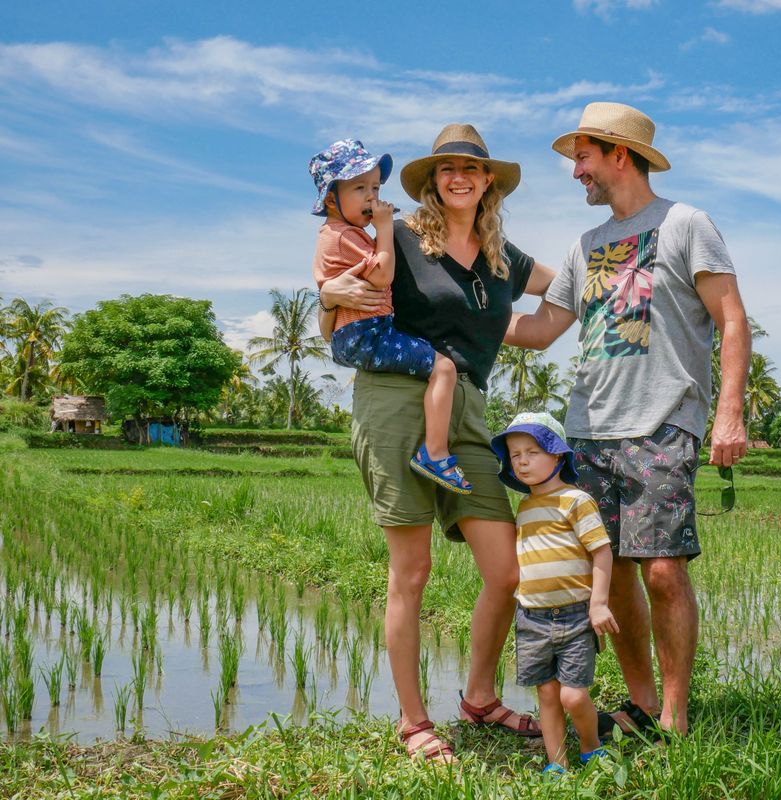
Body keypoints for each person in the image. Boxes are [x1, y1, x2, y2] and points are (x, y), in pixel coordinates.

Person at [506, 102, 751, 739]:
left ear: (619, 153)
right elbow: (538, 331)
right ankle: (641, 703)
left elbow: (731, 318)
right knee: (608, 571)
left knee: (664, 570)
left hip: (662, 423)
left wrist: (728, 415)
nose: (575, 172)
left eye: (582, 157)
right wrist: (455, 320)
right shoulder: (584, 246)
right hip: (589, 430)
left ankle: (675, 716)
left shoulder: (684, 223)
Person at [318, 124, 558, 763]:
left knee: (505, 570)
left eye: (472, 170)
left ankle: (480, 699)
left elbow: (559, 301)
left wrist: (621, 287)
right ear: (430, 181)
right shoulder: (396, 235)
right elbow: (340, 285)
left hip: (469, 410)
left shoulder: (505, 258)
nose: (460, 178)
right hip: (397, 398)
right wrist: (322, 298)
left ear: (489, 183)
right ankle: (414, 720)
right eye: (446, 169)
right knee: (412, 571)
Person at [309, 139, 469, 493]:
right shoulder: (343, 236)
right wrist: (384, 228)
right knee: (444, 368)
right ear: (331, 198)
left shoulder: (344, 234)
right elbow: (382, 276)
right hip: (368, 332)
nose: (372, 197)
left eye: (376, 188)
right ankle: (435, 452)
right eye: (360, 188)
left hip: (355, 332)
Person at [489, 412, 619, 775]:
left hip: (576, 615)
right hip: (532, 617)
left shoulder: (576, 501)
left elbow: (601, 551)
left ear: (558, 456)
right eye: (515, 455)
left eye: (532, 451)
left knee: (572, 695)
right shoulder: (525, 507)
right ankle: (556, 763)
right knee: (547, 694)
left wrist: (599, 604)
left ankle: (591, 746)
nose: (523, 461)